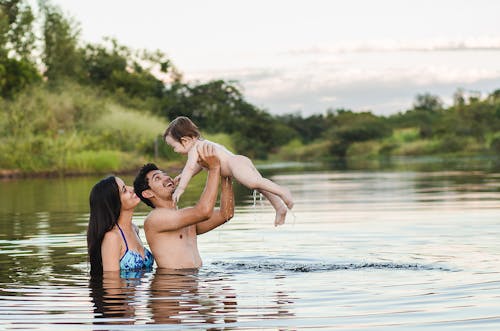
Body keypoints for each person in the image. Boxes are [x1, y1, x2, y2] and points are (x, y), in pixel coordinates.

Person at [163, 116, 293, 226]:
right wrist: (183, 176)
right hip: (239, 161)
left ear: (185, 141)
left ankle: (282, 191)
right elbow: (199, 166)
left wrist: (181, 188)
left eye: (174, 146)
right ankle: (279, 207)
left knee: (254, 183)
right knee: (260, 186)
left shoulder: (194, 149)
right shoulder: (201, 145)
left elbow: (190, 167)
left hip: (235, 164)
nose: (175, 150)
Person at [133, 142, 234, 269]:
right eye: (157, 178)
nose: (166, 178)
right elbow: (204, 211)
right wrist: (214, 168)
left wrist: (226, 174)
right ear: (147, 193)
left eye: (164, 174)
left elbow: (226, 214)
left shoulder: (186, 218)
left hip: (193, 281)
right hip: (174, 283)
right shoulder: (154, 219)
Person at [87, 176, 153, 276]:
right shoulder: (112, 237)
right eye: (124, 190)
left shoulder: (134, 228)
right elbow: (112, 284)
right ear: (113, 202)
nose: (132, 189)